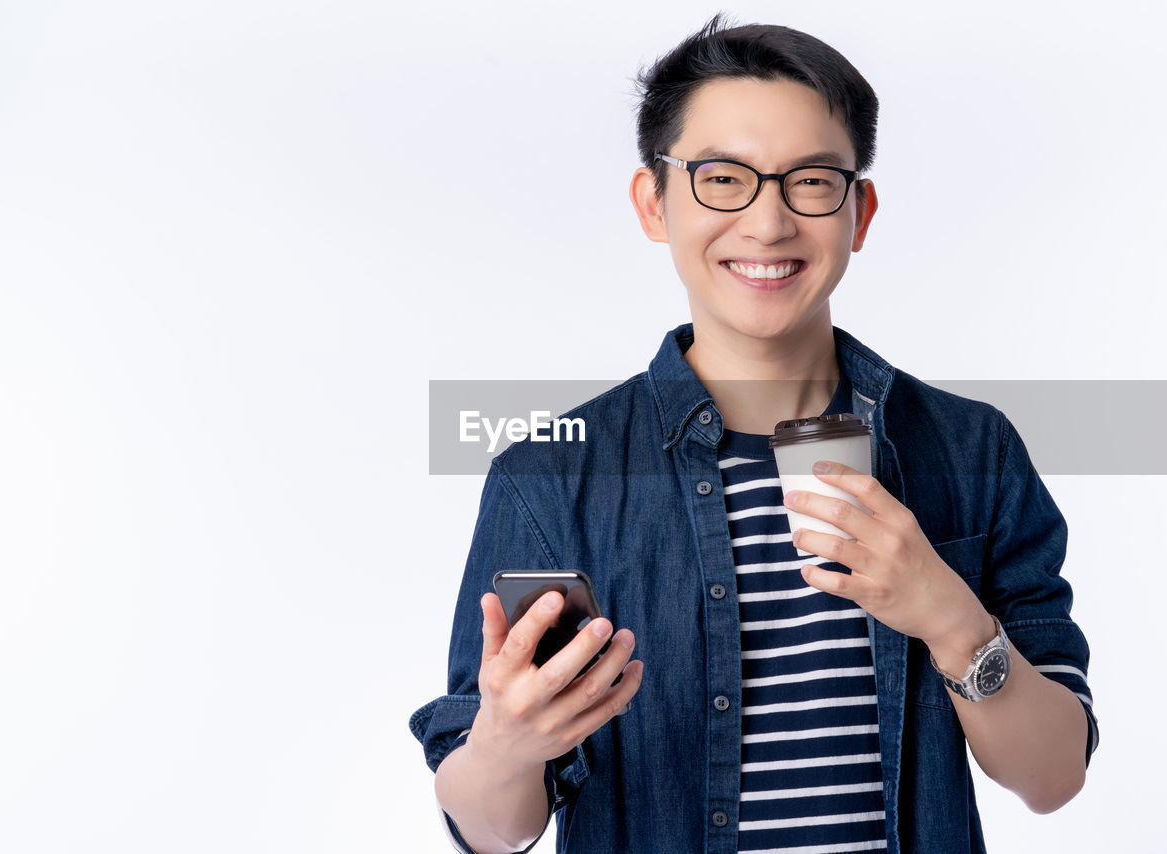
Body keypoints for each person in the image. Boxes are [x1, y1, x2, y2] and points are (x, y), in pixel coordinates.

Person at [410, 16, 1098, 854]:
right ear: (653, 203)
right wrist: (505, 747)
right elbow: (491, 831)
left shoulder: (969, 450)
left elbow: (1053, 776)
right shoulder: (553, 477)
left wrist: (947, 615)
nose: (769, 225)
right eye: (722, 178)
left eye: (810, 181)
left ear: (860, 210)